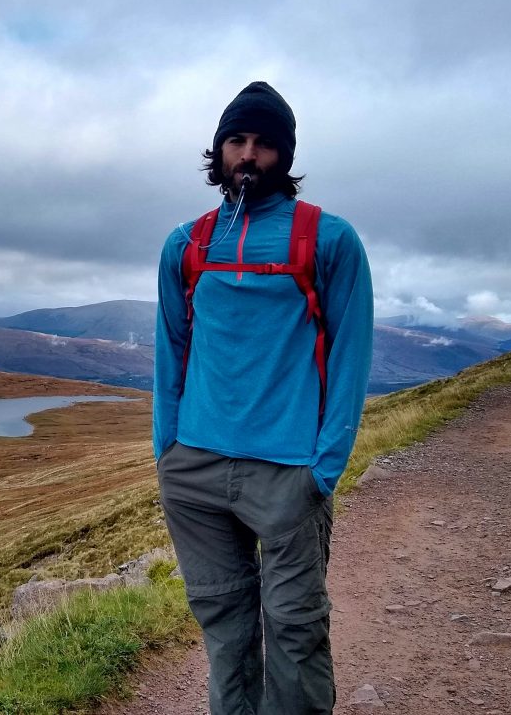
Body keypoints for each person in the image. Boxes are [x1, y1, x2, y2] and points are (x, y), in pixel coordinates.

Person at [154, 81, 373, 714]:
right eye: (237, 141)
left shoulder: (328, 240)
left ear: (285, 154)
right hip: (193, 468)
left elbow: (351, 356)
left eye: (264, 144)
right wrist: (166, 450)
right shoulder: (187, 244)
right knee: (224, 630)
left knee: (296, 630)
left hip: (287, 472)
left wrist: (324, 469)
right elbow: (172, 349)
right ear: (219, 151)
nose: (249, 155)